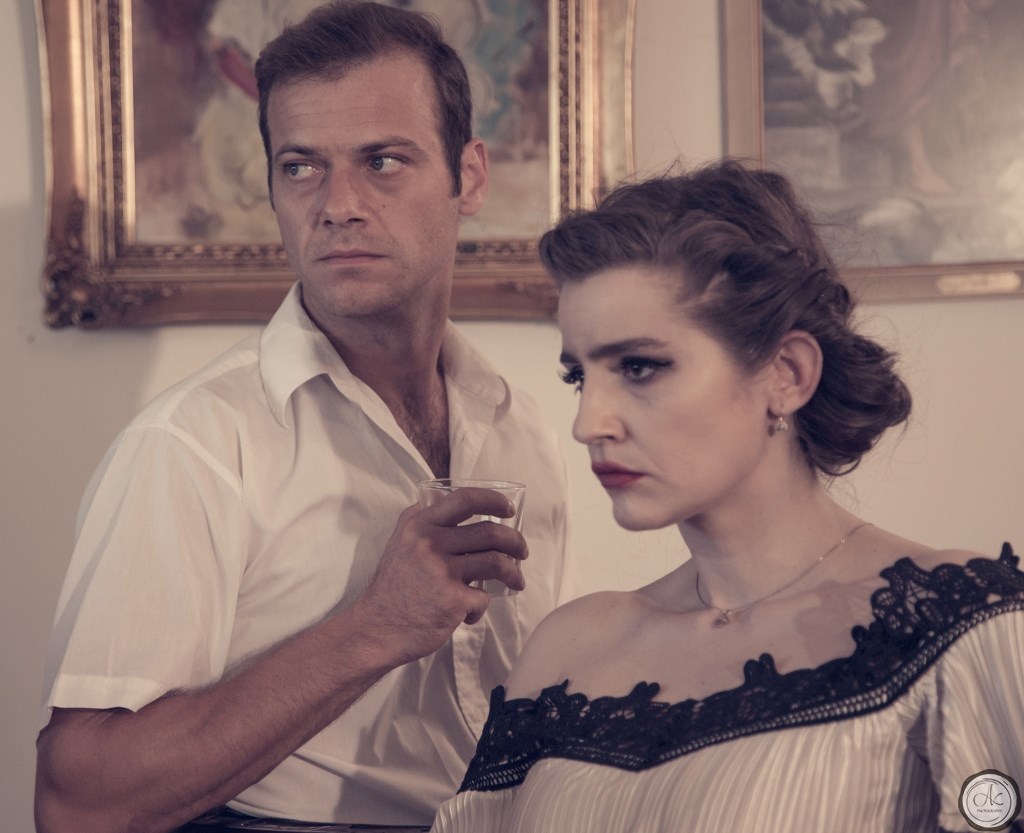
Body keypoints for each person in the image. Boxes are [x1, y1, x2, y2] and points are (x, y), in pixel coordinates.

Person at [34, 3, 572, 831]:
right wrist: (372, 629)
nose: (337, 204)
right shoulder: (196, 445)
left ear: (469, 177)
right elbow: (78, 803)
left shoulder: (524, 431)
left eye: (383, 161)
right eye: (301, 167)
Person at [431, 160, 1024, 833]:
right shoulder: (564, 652)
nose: (589, 422)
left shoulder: (960, 627)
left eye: (639, 367)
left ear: (787, 374)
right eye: (579, 377)